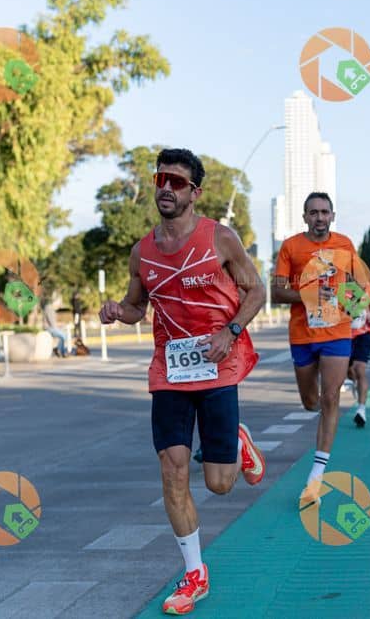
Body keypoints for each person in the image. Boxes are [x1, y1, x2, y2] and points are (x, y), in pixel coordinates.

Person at [99, 148, 267, 616]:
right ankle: (195, 573)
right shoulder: (142, 252)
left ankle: (236, 441)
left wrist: (230, 331)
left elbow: (256, 290)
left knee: (220, 485)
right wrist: (117, 311)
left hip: (218, 365)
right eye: (161, 180)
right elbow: (137, 307)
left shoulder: (220, 238)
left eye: (177, 182)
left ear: (195, 193)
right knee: (172, 468)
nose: (167, 188)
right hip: (170, 371)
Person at [271, 192, 366, 505]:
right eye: (313, 212)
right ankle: (325, 399)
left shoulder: (344, 244)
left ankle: (315, 479)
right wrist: (309, 295)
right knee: (311, 401)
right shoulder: (291, 247)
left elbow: (354, 282)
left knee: (330, 398)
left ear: (332, 216)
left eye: (325, 212)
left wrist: (357, 306)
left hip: (337, 332)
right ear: (305, 217)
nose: (320, 217)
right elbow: (277, 292)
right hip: (302, 334)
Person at [347, 286, 370, 428]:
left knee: (360, 370)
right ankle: (355, 383)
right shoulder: (338, 285)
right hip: (343, 336)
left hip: (363, 334)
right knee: (349, 372)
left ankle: (361, 410)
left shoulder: (367, 287)